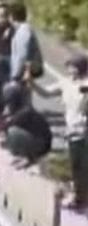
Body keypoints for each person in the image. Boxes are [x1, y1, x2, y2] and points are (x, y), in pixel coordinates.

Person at [31, 55, 88, 211]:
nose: (69, 70)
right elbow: (46, 93)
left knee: (80, 166)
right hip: (72, 130)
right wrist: (31, 83)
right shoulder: (65, 83)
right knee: (76, 165)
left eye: (72, 66)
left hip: (83, 131)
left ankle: (80, 199)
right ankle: (80, 197)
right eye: (69, 66)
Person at [0, 81, 52, 169]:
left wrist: (0, 121)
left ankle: (31, 158)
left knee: (12, 132)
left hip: (42, 144)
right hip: (39, 139)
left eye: (8, 100)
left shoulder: (24, 111)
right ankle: (25, 155)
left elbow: (4, 126)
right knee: (10, 134)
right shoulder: (22, 107)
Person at [6, 3, 43, 85]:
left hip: (22, 76)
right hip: (24, 74)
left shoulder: (23, 31)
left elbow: (21, 56)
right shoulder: (22, 29)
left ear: (11, 17)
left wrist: (15, 76)